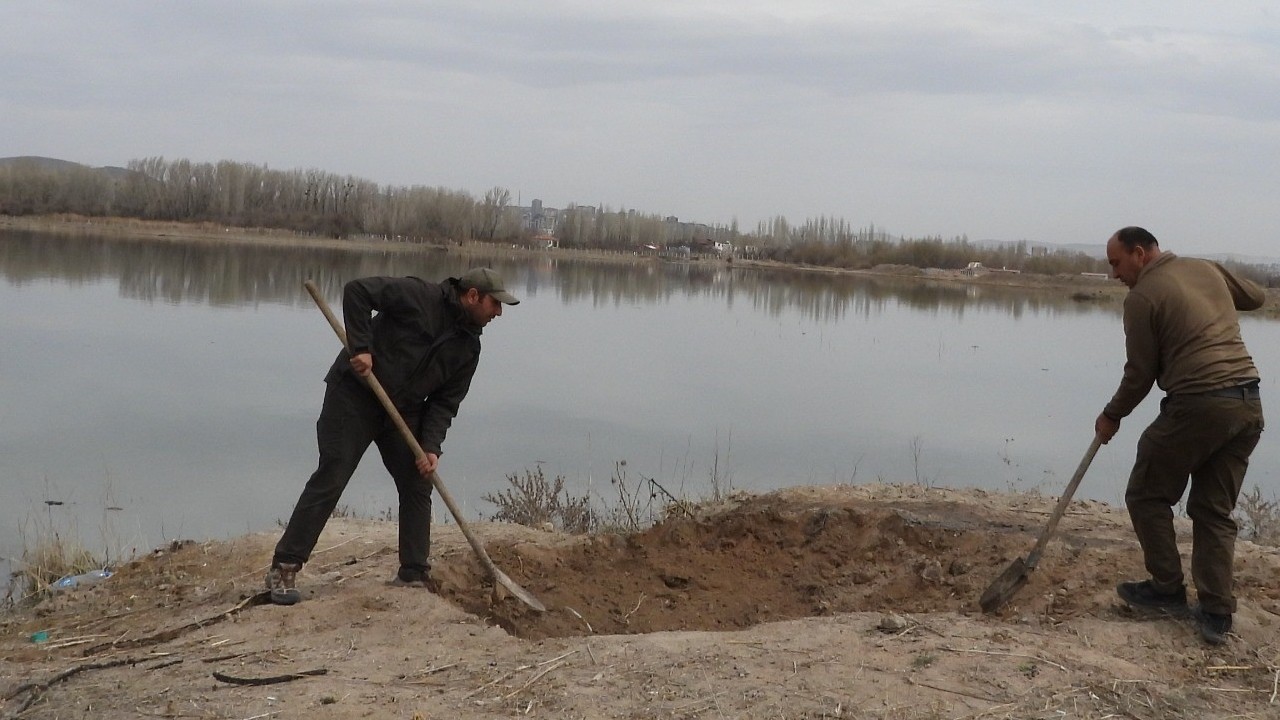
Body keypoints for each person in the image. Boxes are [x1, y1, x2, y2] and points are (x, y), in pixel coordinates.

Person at [266, 267, 519, 605]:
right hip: (354, 395)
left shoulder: (468, 348)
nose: (498, 313)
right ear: (472, 296)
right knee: (334, 473)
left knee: (418, 480)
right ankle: (284, 567)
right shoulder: (418, 296)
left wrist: (430, 447)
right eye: (495, 304)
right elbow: (357, 291)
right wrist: (361, 346)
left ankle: (413, 573)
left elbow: (444, 403)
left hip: (402, 411)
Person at [1094, 226, 1265, 645]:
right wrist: (1212, 286)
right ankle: (1216, 611)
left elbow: (1140, 375)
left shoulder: (1142, 298)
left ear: (1139, 253)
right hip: (1247, 403)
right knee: (1212, 510)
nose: (1115, 274)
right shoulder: (1204, 268)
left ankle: (1167, 588)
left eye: (1116, 263)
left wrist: (1111, 415)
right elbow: (1257, 298)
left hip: (1199, 404)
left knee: (1146, 493)